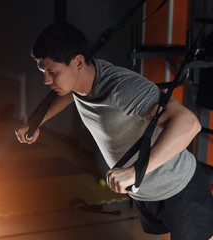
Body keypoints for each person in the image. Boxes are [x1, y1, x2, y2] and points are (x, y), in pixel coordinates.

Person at [14, 22, 213, 240]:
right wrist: (36, 121)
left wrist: (133, 171)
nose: (46, 80)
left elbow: (189, 123)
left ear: (78, 61)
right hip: (144, 192)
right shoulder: (80, 81)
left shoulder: (121, 88)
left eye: (52, 72)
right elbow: (68, 93)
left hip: (179, 188)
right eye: (44, 72)